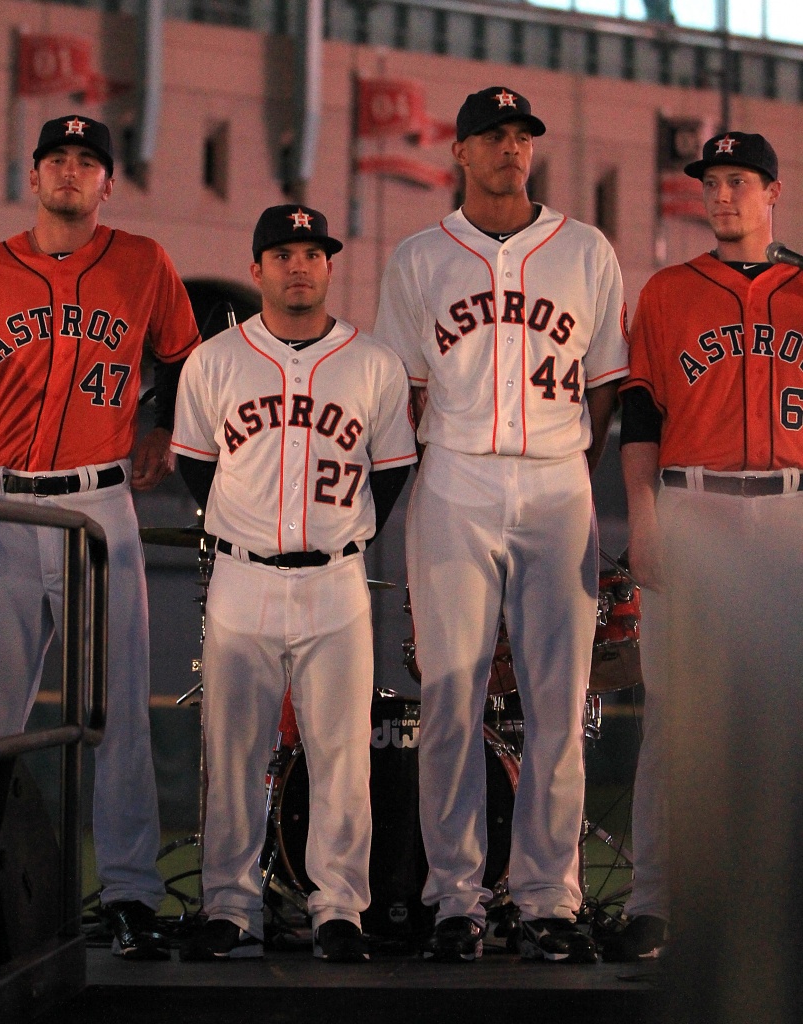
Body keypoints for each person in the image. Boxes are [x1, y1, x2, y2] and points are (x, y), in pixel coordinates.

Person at [373, 87, 629, 963]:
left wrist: (572, 476)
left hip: (558, 479)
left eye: (522, 135)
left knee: (557, 701)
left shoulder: (587, 250)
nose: (512, 148)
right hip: (454, 474)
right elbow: (404, 390)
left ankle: (548, 897)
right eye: (493, 135)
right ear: (460, 151)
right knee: (451, 693)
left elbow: (606, 386)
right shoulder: (417, 257)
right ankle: (455, 897)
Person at [0, 115, 200, 960]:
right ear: (33, 177)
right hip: (1, 508)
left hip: (101, 505)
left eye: (87, 162)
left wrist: (161, 423)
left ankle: (134, 893)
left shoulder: (143, 264)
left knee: (118, 714)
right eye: (56, 159)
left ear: (108, 183)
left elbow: (187, 361)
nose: (71, 172)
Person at [172, 204, 416, 963]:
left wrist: (337, 532)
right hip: (241, 575)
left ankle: (339, 908)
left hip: (336, 577)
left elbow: (394, 468)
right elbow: (193, 465)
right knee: (233, 751)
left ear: (330, 266)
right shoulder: (214, 360)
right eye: (283, 253)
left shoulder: (372, 362)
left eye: (312, 252)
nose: (299, 265)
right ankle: (230, 906)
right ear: (257, 269)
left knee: (342, 753)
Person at [615, 132, 803, 1022]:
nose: (721, 195)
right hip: (693, 502)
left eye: (737, 181)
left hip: (795, 504)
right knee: (676, 713)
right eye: (711, 182)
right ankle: (655, 898)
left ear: (773, 191)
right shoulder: (667, 291)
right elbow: (642, 415)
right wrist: (644, 519)